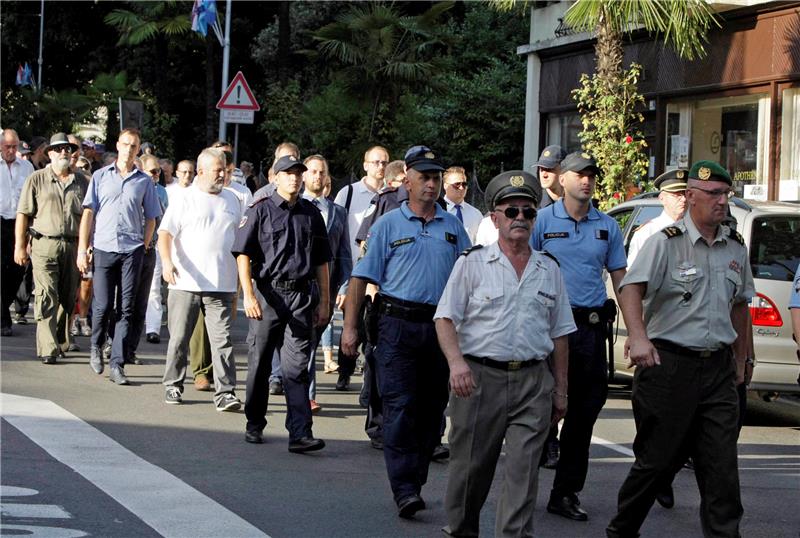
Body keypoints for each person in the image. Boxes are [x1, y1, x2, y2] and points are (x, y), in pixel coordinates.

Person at [606, 161, 754, 538]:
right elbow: (631, 288)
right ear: (690, 196)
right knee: (658, 462)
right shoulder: (664, 242)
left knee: (721, 469)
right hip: (669, 366)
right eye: (714, 194)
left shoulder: (735, 247)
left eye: (727, 194)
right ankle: (622, 530)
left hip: (718, 371)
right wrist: (638, 337)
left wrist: (742, 360)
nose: (723, 202)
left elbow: (740, 306)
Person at [436, 170, 575, 537]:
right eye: (511, 212)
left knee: (523, 474)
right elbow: (445, 318)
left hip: (533, 382)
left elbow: (561, 334)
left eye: (528, 213)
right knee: (470, 473)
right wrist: (456, 364)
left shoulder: (549, 269)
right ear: (495, 218)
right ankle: (461, 531)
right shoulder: (472, 263)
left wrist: (560, 389)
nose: (520, 219)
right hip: (480, 380)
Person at [341, 145, 471, 518]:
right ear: (408, 181)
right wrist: (350, 330)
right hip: (396, 325)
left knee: (432, 412)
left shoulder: (452, 227)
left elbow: (469, 274)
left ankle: (413, 480)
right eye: (424, 178)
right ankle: (404, 489)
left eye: (435, 178)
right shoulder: (388, 225)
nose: (431, 185)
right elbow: (360, 277)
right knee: (399, 409)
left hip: (440, 328)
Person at [531, 151, 627, 521]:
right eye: (579, 174)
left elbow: (621, 279)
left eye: (591, 175)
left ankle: (565, 492)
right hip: (546, 329)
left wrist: (637, 332)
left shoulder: (607, 226)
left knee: (583, 415)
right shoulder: (540, 221)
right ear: (562, 178)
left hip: (587, 331)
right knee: (539, 410)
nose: (586, 180)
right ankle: (526, 479)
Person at [232, 154, 331, 452]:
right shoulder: (260, 210)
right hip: (267, 296)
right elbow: (242, 253)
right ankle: (255, 422)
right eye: (288, 173)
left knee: (297, 367)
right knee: (260, 363)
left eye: (298, 173)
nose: (295, 178)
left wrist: (325, 301)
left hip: (301, 297)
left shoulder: (311, 214)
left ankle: (300, 433)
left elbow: (322, 261)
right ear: (275, 178)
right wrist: (248, 294)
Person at [159, 148, 242, 411]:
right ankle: (173, 383)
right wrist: (167, 262)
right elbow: (165, 233)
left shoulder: (233, 199)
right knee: (179, 338)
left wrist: (240, 284)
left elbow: (240, 240)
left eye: (224, 169)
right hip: (186, 282)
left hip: (222, 283)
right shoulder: (185, 198)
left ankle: (226, 392)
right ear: (201, 171)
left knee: (222, 341)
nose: (222, 174)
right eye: (217, 170)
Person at [77, 128, 162, 385]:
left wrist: (144, 243)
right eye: (125, 144)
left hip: (131, 250)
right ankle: (96, 345)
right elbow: (89, 214)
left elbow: (152, 217)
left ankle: (117, 363)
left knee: (126, 309)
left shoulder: (144, 182)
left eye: (133, 145)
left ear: (138, 150)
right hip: (103, 248)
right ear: (118, 145)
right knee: (102, 306)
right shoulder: (101, 176)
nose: (128, 149)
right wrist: (83, 248)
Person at [14, 133, 89, 363]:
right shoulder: (36, 179)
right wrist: (20, 246)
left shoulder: (82, 182)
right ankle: (47, 348)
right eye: (58, 149)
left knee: (67, 297)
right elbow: (23, 214)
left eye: (67, 148)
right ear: (49, 154)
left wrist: (86, 248)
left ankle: (58, 340)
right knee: (47, 294)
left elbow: (89, 217)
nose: (64, 152)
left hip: (72, 245)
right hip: (44, 244)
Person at [301, 154, 352, 413]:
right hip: (297, 286)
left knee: (310, 341)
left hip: (326, 290)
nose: (317, 176)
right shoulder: (295, 206)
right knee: (302, 343)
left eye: (322, 172)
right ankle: (304, 394)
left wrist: (343, 288)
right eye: (312, 171)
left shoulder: (338, 212)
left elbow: (344, 254)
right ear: (303, 175)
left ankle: (302, 393)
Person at [531, 144, 567, 470]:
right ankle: (548, 439)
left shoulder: (583, 209)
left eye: (551, 168)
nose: (544, 173)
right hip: (545, 308)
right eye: (542, 167)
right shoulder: (537, 212)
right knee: (546, 380)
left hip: (579, 313)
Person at [1, 129, 35, 337]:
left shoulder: (27, 167)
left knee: (16, 272)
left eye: (14, 147)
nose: (12, 151)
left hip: (19, 223)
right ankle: (3, 318)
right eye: (7, 146)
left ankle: (4, 306)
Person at [334, 145, 390, 269]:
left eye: (384, 163)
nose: (381, 166)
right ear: (365, 165)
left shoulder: (392, 196)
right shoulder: (348, 193)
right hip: (350, 268)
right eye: (376, 162)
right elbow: (335, 232)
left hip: (384, 270)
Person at [627, 169, 688, 266]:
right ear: (662, 199)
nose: (684, 199)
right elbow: (634, 274)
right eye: (677, 195)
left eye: (685, 194)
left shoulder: (694, 229)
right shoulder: (647, 232)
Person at [442, 166, 483, 243]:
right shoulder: (435, 211)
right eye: (457, 184)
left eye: (464, 184)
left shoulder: (476, 214)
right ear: (445, 186)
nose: (461, 188)